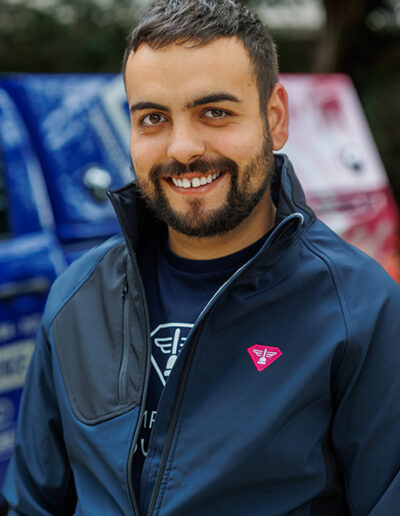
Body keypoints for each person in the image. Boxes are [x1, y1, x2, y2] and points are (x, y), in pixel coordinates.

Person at [2, 0, 400, 514]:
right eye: (153, 118)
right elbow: (33, 504)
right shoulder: (77, 296)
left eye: (214, 112)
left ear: (274, 119)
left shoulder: (361, 309)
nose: (182, 147)